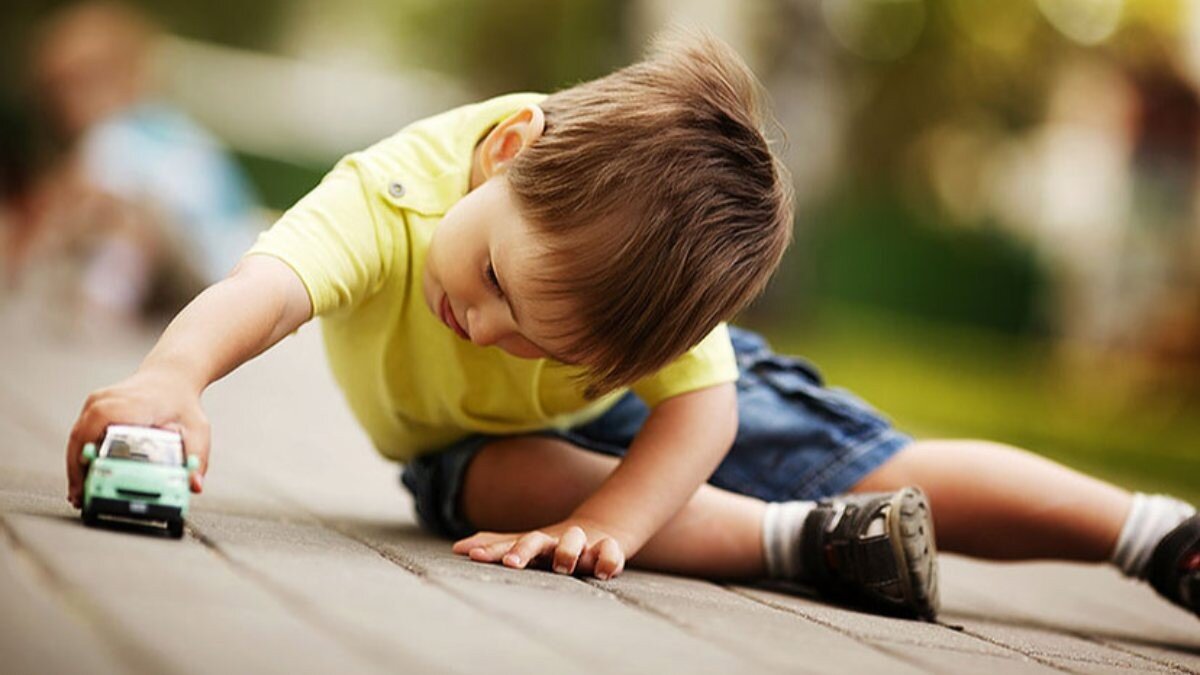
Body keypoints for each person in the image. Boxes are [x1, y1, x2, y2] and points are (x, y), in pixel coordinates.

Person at [64, 29, 1198, 622]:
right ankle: (810, 543)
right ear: (506, 156)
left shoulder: (637, 280)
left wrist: (615, 517)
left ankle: (1153, 536)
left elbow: (703, 411)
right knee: (496, 480)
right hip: (479, 448)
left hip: (664, 414)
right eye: (496, 281)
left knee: (879, 461)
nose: (488, 331)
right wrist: (175, 378)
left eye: (541, 340)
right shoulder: (396, 192)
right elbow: (269, 286)